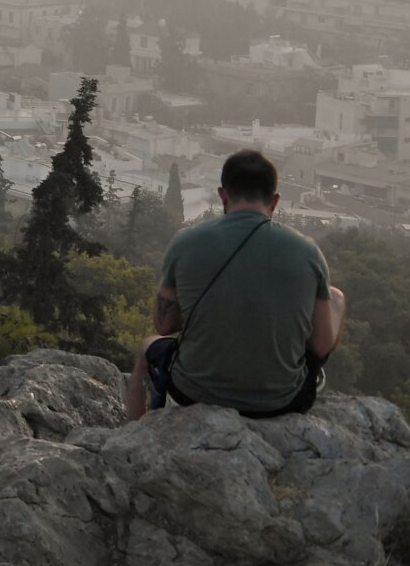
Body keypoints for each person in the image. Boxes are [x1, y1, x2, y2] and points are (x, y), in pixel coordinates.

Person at [124, 149, 347, 422]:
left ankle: (133, 429)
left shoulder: (185, 242)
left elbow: (164, 327)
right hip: (281, 400)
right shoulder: (308, 252)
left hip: (193, 391)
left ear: (222, 195)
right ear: (275, 201)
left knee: (148, 346)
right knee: (335, 297)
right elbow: (321, 345)